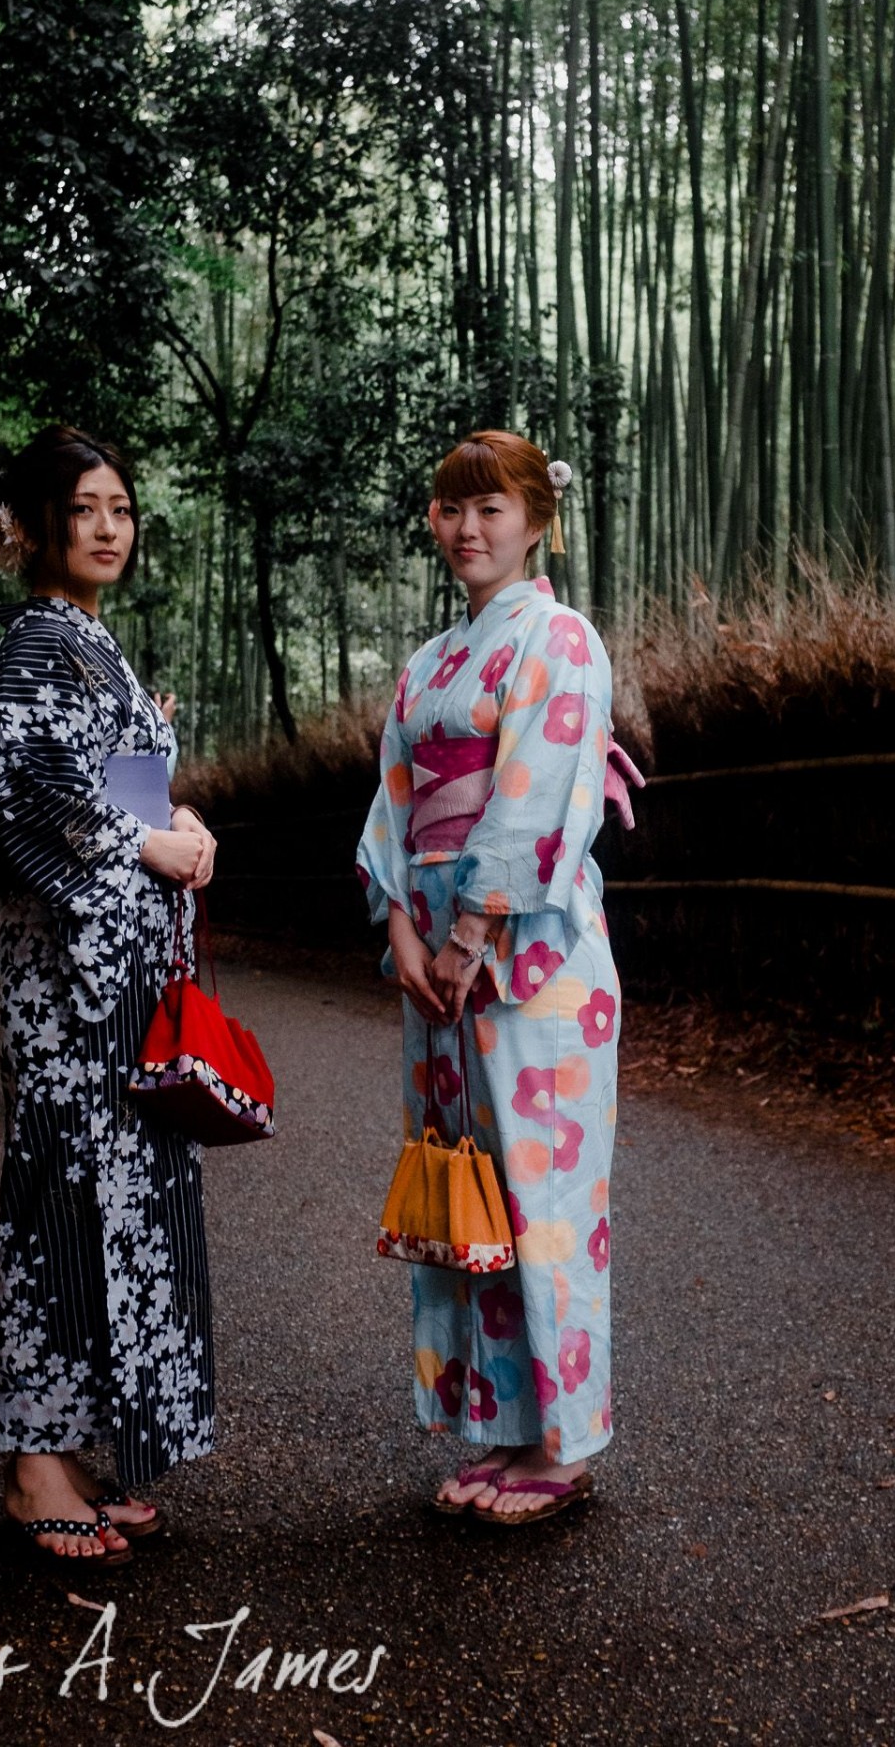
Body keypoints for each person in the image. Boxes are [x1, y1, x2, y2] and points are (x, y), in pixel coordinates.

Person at [357, 431, 624, 1526]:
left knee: (542, 1197)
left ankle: (563, 1445)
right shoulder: (431, 662)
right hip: (440, 960)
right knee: (474, 1190)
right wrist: (404, 934)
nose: (470, 529)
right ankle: (505, 1431)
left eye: (493, 509)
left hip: (530, 962)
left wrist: (469, 934)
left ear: (536, 521)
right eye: (452, 510)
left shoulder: (558, 639)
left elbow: (531, 801)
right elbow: (390, 807)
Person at [0, 424, 218, 1568]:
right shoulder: (38, 642)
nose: (111, 526)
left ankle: (73, 1453)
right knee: (61, 1200)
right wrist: (147, 845)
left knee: (114, 1198)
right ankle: (35, 1465)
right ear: (37, 528)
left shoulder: (92, 644)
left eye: (123, 505)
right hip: (69, 988)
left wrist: (183, 827)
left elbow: (120, 791)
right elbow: (25, 800)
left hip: (118, 976)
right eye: (86, 508)